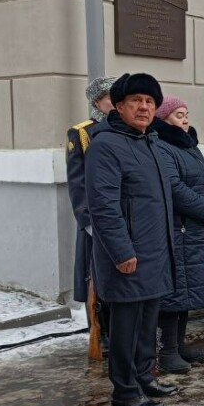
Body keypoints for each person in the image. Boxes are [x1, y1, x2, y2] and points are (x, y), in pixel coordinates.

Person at [86, 73, 178, 406]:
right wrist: (122, 251)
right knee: (125, 327)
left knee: (146, 322)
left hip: (154, 251)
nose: (144, 107)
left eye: (150, 102)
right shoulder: (105, 145)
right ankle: (124, 392)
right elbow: (103, 206)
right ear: (119, 106)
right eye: (136, 101)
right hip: (128, 256)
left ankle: (143, 377)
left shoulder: (149, 141)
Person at [151, 95, 204, 374]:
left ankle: (179, 346)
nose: (185, 120)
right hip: (177, 229)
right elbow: (172, 186)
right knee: (174, 291)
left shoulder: (188, 144)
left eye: (186, 114)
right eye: (178, 115)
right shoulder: (161, 145)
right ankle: (167, 351)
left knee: (185, 291)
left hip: (195, 229)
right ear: (163, 119)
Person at [66, 76, 115, 358]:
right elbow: (78, 182)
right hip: (94, 221)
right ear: (97, 102)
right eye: (110, 98)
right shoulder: (83, 133)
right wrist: (86, 221)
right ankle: (100, 332)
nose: (115, 103)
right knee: (93, 279)